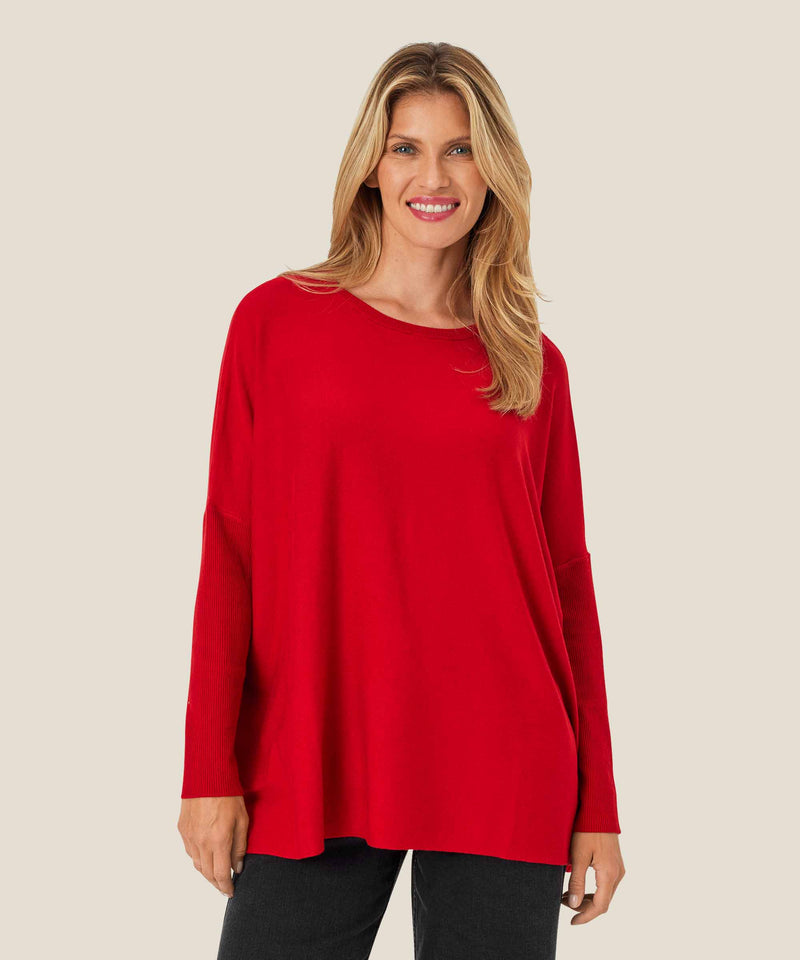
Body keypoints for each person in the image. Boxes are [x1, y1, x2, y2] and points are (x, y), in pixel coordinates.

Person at [177, 41, 625, 960]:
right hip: (316, 751)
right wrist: (206, 770)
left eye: (460, 150)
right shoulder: (275, 323)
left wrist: (599, 804)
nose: (434, 177)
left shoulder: (530, 363)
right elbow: (231, 548)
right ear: (370, 168)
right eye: (406, 148)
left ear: (493, 170)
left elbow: (567, 584)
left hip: (503, 758)